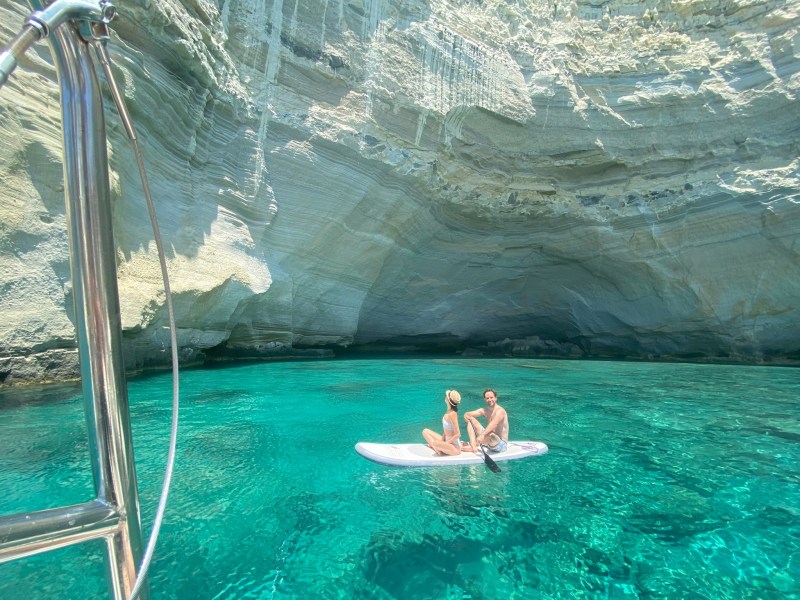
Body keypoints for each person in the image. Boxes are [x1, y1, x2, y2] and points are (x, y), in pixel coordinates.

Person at [463, 388, 509, 453]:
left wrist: (482, 435)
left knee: (491, 435)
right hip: (488, 440)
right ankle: (473, 446)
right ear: (485, 399)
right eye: (487, 398)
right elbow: (469, 414)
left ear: (496, 398)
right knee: (471, 419)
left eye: (491, 397)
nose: (489, 400)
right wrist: (466, 414)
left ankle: (477, 443)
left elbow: (494, 423)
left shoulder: (500, 411)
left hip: (500, 444)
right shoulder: (485, 410)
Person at [422, 390, 463, 456]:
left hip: (454, 448)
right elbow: (445, 431)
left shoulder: (453, 414)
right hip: (447, 442)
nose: (445, 396)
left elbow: (458, 434)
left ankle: (438, 450)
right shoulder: (448, 412)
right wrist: (442, 441)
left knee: (435, 443)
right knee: (425, 431)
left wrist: (445, 443)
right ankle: (439, 448)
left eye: (447, 396)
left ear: (448, 400)